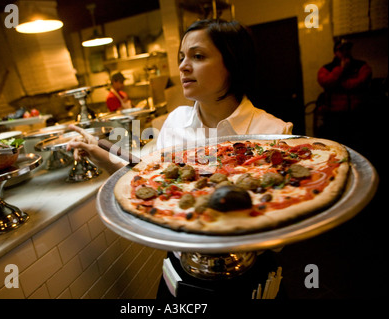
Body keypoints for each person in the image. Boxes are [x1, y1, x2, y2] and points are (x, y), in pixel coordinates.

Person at [67, 19, 293, 298]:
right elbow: (149, 177)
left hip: (245, 273)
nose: (183, 66)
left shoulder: (273, 133)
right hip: (181, 268)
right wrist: (100, 155)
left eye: (198, 56)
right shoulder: (174, 121)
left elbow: (280, 237)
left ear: (233, 63)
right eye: (182, 57)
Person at [316, 38, 372, 145]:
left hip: (356, 113)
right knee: (335, 143)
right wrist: (340, 69)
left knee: (357, 143)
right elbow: (325, 81)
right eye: (341, 50)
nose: (345, 52)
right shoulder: (326, 68)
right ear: (335, 52)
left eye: (347, 49)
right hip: (333, 115)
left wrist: (339, 83)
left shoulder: (361, 66)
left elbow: (361, 82)